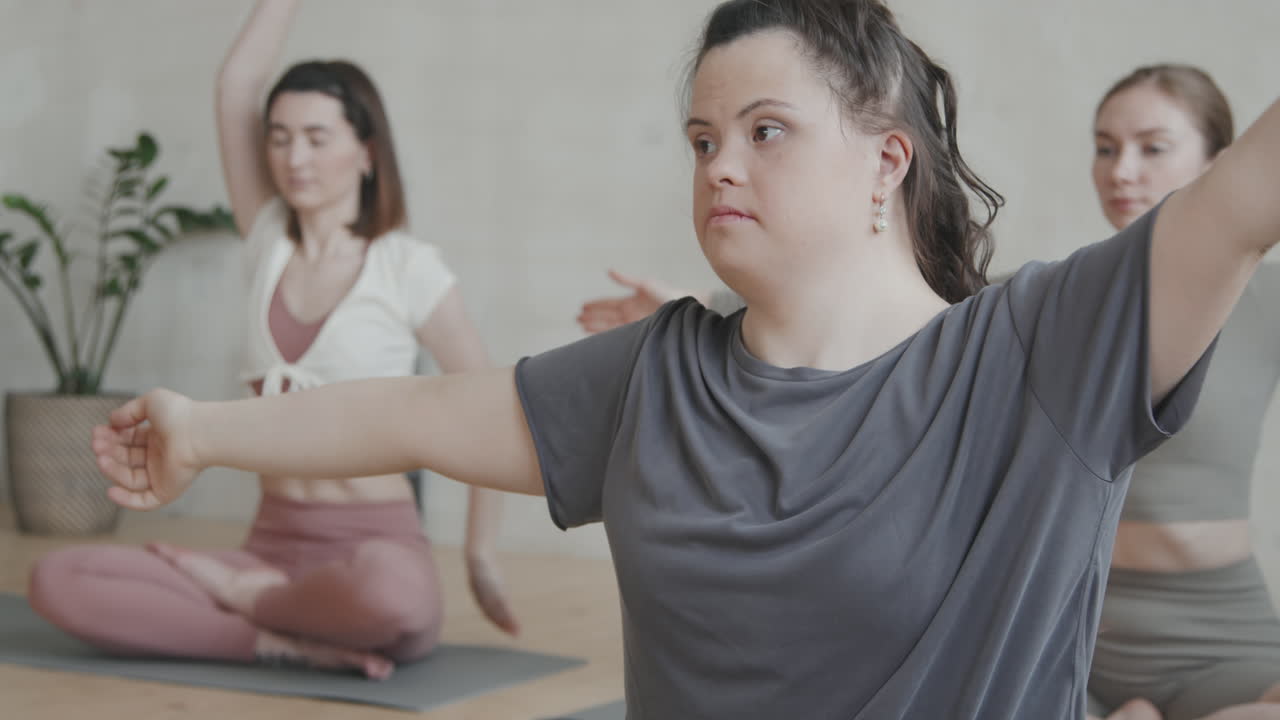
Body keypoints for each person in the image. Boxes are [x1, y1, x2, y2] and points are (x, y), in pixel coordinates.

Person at [91, 1, 1280, 716]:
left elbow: (1241, 198)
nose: (718, 165)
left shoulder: (1041, 349)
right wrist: (199, 430)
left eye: (766, 133)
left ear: (885, 160)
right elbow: (408, 412)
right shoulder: (654, 379)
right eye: (703, 138)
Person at [28, 0, 516, 680]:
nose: (295, 157)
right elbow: (235, 89)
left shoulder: (408, 268)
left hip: (374, 547)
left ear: (366, 151)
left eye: (318, 138)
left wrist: (480, 554)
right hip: (269, 546)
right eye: (280, 137)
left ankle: (250, 605)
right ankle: (276, 636)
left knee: (393, 603)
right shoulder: (266, 243)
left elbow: (490, 411)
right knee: (60, 578)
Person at [1083, 65, 1280, 720]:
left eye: (1151, 146)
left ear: (1221, 166)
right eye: (1106, 147)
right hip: (1077, 633)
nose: (1120, 170)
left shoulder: (1271, 301)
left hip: (1223, 638)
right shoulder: (1045, 302)